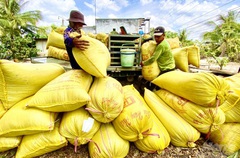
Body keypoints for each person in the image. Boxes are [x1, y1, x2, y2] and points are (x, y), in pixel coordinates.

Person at [138, 26, 176, 92]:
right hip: (167, 67)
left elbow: (153, 59)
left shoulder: (162, 45)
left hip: (167, 68)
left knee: (155, 83)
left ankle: (148, 94)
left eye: (158, 36)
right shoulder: (161, 43)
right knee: (157, 84)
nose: (156, 38)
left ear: (164, 35)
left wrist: (143, 63)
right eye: (155, 36)